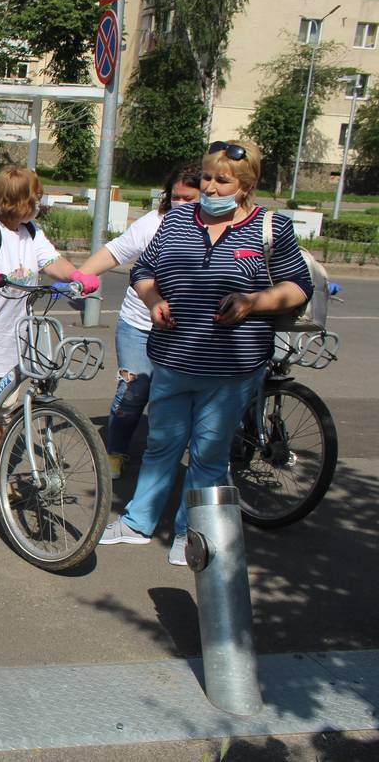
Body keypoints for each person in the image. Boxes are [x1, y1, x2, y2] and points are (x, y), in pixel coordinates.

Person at [99, 140, 312, 565]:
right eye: (208, 178)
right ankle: (139, 521)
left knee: (208, 454)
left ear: (246, 184)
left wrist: (254, 302)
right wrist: (153, 299)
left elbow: (297, 286)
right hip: (173, 357)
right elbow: (143, 269)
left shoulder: (272, 228)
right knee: (161, 444)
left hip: (231, 366)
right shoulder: (178, 219)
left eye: (222, 180)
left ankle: (191, 531)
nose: (211, 188)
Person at [0, 165, 99, 479]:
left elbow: (51, 261)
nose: (38, 202)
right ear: (19, 200)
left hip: (12, 345)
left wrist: (76, 275)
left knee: (3, 415)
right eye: (34, 197)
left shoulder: (31, 231)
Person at [76, 162, 203, 480]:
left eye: (190, 199)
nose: (182, 205)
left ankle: (166, 459)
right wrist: (77, 278)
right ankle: (116, 451)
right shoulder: (154, 224)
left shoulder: (213, 228)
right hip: (139, 324)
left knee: (178, 398)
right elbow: (114, 252)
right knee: (134, 390)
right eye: (177, 197)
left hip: (184, 331)